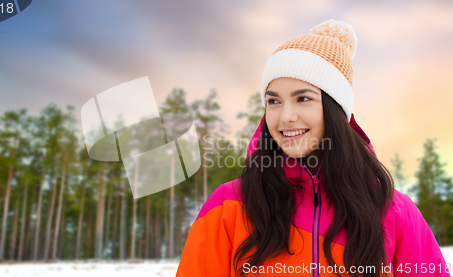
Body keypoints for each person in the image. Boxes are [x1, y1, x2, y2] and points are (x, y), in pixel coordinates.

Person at [176, 19, 450, 276]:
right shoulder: (230, 204)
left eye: (303, 98)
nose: (285, 116)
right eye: (274, 101)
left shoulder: (393, 211)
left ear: (335, 110)